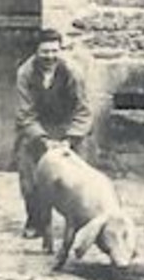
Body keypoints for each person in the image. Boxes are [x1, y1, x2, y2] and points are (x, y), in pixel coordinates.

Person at [15, 29, 92, 239]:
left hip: (67, 127)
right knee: (30, 178)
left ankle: (79, 223)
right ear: (37, 52)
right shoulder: (26, 73)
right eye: (45, 52)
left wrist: (70, 139)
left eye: (54, 51)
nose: (50, 57)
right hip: (37, 128)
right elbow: (25, 113)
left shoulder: (73, 72)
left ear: (61, 49)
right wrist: (43, 139)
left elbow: (83, 110)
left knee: (78, 179)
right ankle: (36, 221)